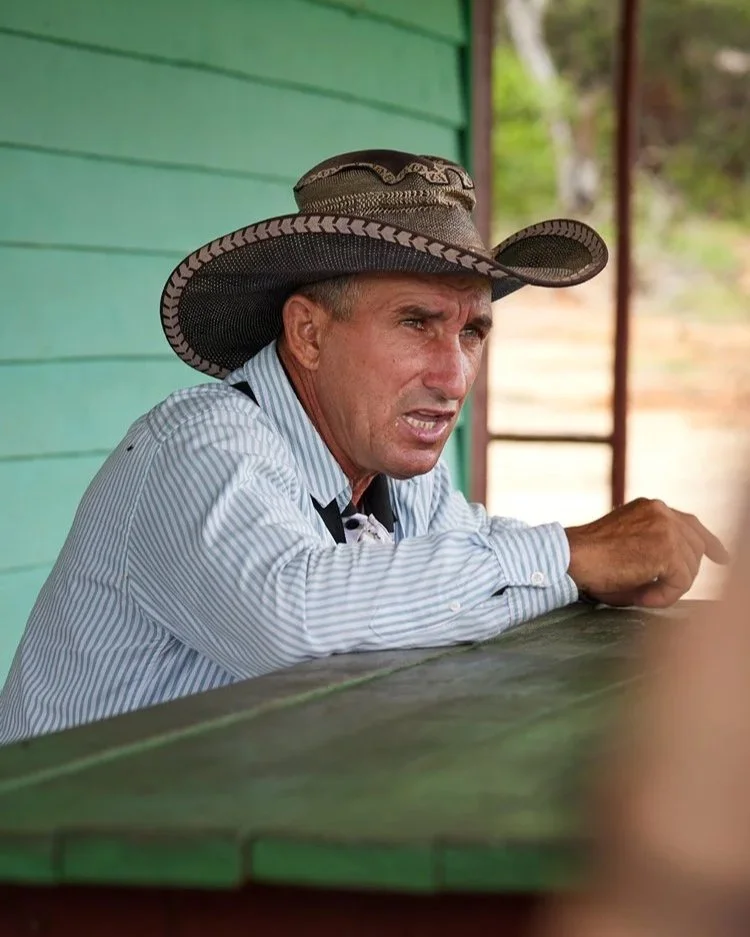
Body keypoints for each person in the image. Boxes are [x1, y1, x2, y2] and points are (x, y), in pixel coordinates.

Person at [0, 149, 727, 743]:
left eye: (471, 331)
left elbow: (459, 560)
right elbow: (290, 618)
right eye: (417, 322)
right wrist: (571, 554)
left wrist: (597, 564)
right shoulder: (195, 447)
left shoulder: (395, 475)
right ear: (307, 333)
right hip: (54, 879)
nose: (452, 376)